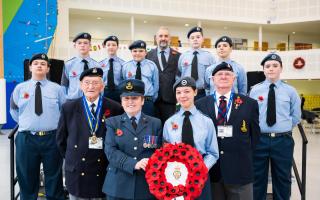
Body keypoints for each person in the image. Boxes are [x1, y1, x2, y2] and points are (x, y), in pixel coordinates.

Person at [195, 62, 260, 200]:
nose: (223, 76)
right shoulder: (200, 104)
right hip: (212, 172)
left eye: (228, 74)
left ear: (234, 79)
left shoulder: (249, 103)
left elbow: (255, 137)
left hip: (239, 170)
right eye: (219, 74)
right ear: (212, 79)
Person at [56, 67, 123, 200]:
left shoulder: (115, 108)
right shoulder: (69, 108)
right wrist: (73, 157)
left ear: (102, 86)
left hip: (102, 168)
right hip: (77, 169)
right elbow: (61, 140)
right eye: (87, 82)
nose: (91, 86)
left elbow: (119, 139)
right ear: (81, 85)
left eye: (95, 82)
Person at [10, 53, 65, 200]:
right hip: (27, 138)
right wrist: (26, 124)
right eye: (36, 63)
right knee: (26, 177)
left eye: (43, 63)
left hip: (52, 138)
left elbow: (63, 111)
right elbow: (14, 110)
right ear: (30, 67)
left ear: (48, 69)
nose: (39, 65)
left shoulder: (57, 89)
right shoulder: (20, 88)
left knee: (54, 176)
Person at [249, 53, 301, 200]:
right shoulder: (255, 90)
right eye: (268, 66)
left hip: (283, 140)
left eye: (275, 66)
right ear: (264, 70)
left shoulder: (290, 91)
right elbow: (251, 115)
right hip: (260, 140)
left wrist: (282, 128)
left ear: (281, 68)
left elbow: (296, 115)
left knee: (283, 177)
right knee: (257, 177)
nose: (271, 69)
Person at [103, 79, 162, 200]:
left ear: (143, 100)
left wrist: (150, 161)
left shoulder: (155, 123)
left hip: (146, 186)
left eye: (134, 98)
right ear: (121, 101)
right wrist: (134, 164)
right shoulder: (112, 122)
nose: (130, 102)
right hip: (117, 186)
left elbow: (159, 152)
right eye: (126, 98)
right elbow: (110, 151)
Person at [163, 76, 219, 200]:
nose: (183, 95)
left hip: (200, 175)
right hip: (176, 177)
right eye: (178, 92)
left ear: (195, 92)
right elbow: (165, 151)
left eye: (187, 91)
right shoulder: (169, 123)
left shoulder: (206, 121)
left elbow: (213, 153)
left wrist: (201, 169)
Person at [146, 26, 181, 123]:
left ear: (169, 39)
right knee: (154, 129)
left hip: (170, 100)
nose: (163, 38)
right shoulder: (148, 55)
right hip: (153, 100)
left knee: (170, 128)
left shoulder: (178, 56)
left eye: (166, 36)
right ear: (156, 38)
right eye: (160, 36)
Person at [122, 40, 159, 116]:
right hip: (131, 101)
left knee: (148, 124)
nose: (137, 53)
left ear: (145, 52)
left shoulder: (152, 65)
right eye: (135, 51)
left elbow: (156, 85)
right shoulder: (126, 66)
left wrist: (151, 99)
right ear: (131, 52)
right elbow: (123, 82)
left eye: (141, 51)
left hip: (147, 101)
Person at [177, 26, 216, 100]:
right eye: (192, 38)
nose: (195, 39)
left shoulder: (209, 57)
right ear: (189, 40)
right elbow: (179, 75)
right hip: (186, 93)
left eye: (198, 37)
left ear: (202, 39)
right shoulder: (183, 56)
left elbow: (213, 77)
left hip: (203, 93)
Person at [61, 32, 100, 99]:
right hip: (73, 101)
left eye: (85, 43)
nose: (82, 45)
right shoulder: (68, 65)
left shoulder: (97, 65)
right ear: (75, 46)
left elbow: (100, 86)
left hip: (92, 101)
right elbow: (64, 85)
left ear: (90, 46)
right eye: (79, 43)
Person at [100, 35, 125, 102]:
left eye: (114, 45)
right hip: (104, 92)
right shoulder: (99, 64)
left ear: (117, 47)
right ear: (105, 46)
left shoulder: (123, 64)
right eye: (108, 45)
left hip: (118, 93)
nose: (111, 47)